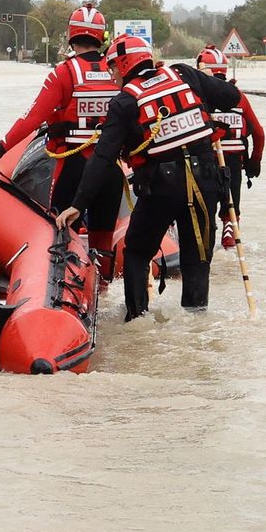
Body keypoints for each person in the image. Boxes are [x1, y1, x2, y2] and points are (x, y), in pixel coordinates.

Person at [54, 34, 244, 321]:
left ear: (125, 64)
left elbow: (103, 158)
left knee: (137, 252)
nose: (113, 75)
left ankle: (137, 317)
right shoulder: (182, 74)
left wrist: (78, 204)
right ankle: (196, 320)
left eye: (114, 68)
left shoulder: (125, 101)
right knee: (197, 258)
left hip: (161, 186)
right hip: (205, 181)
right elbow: (231, 97)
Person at [0, 3, 125, 282]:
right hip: (111, 169)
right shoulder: (117, 73)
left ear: (71, 35)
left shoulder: (64, 74)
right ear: (102, 36)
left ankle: (68, 298)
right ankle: (102, 291)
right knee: (102, 243)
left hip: (74, 166)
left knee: (61, 237)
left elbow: (31, 120)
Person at [197, 46, 265, 249]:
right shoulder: (239, 97)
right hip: (234, 165)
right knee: (231, 211)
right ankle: (229, 235)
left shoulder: (197, 98)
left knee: (204, 212)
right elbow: (259, 133)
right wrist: (255, 160)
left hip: (205, 164)